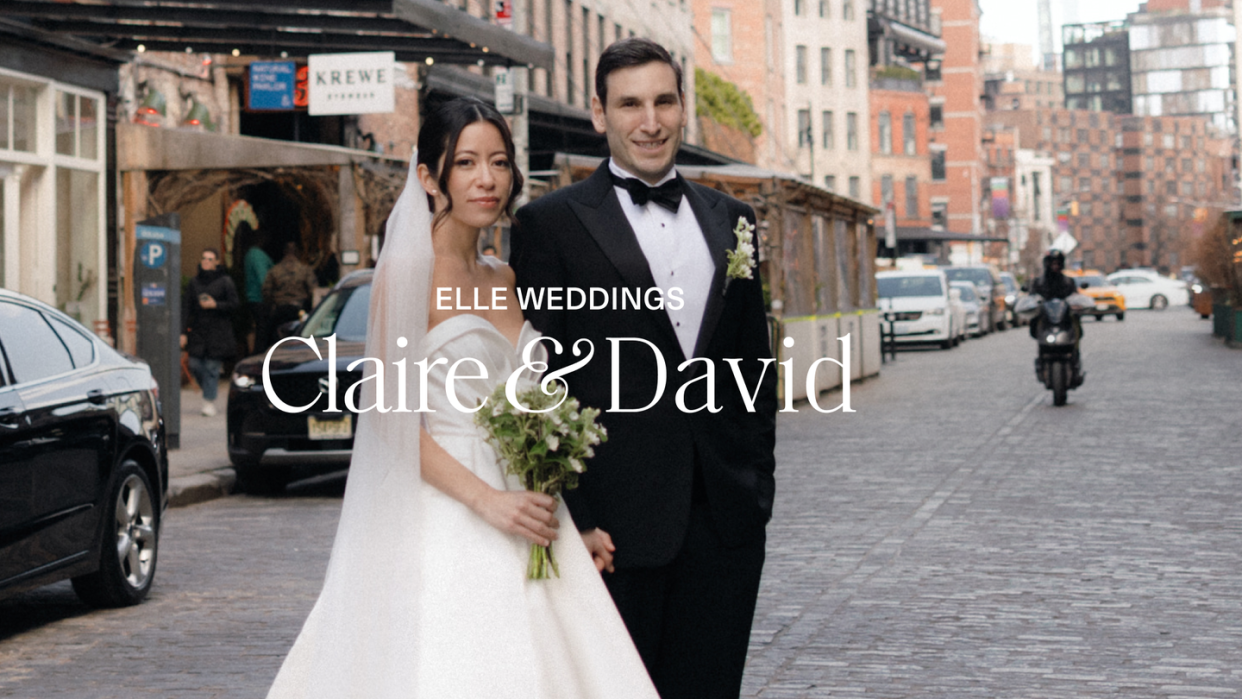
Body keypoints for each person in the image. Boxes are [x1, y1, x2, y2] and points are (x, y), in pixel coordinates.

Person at [266, 98, 659, 699]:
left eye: (499, 162)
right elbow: (387, 424)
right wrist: (489, 503)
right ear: (428, 177)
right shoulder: (404, 276)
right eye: (466, 162)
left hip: (527, 522)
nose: (487, 179)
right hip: (446, 519)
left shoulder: (507, 277)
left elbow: (529, 422)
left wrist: (561, 528)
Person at [512, 38, 777, 699]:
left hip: (725, 524)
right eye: (630, 104)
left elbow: (753, 369)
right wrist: (574, 518)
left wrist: (756, 491)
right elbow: (540, 382)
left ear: (683, 107)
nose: (650, 120)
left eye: (663, 101)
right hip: (615, 533)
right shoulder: (549, 225)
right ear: (599, 114)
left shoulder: (732, 219)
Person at [180, 247, 239, 417]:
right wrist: (183, 332)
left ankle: (208, 401)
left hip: (218, 332)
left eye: (210, 259)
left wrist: (216, 305)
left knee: (212, 368)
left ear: (216, 263)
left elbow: (234, 304)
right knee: (195, 365)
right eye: (204, 258)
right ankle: (209, 391)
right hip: (198, 331)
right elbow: (186, 308)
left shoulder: (225, 281)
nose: (206, 261)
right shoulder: (194, 282)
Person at [1029, 249, 1084, 382]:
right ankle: (1041, 360)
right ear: (1047, 264)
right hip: (1047, 319)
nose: (1055, 266)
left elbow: (1075, 297)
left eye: (1058, 263)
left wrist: (1078, 304)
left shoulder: (1068, 281)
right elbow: (1031, 297)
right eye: (1052, 263)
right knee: (1035, 322)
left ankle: (1075, 360)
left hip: (1063, 319)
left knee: (1076, 324)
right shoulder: (1039, 282)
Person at [262, 241, 317, 340]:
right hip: (300, 311)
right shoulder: (305, 270)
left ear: (284, 252)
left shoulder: (274, 270)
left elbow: (266, 292)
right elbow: (313, 291)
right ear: (298, 253)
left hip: (279, 311)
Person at [241, 223, 273, 352]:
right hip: (259, 299)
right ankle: (260, 356)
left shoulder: (250, 254)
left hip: (252, 298)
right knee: (262, 331)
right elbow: (263, 279)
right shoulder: (257, 255)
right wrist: (270, 297)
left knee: (258, 330)